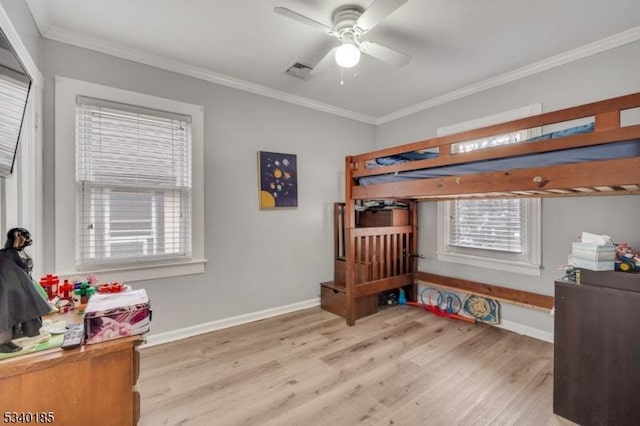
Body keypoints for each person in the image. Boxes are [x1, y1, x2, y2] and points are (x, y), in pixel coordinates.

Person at [0, 228, 50, 353]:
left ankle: (27, 332)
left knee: (28, 312)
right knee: (9, 315)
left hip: (23, 285)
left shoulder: (22, 252)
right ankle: (4, 342)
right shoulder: (8, 254)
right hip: (11, 290)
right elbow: (9, 274)